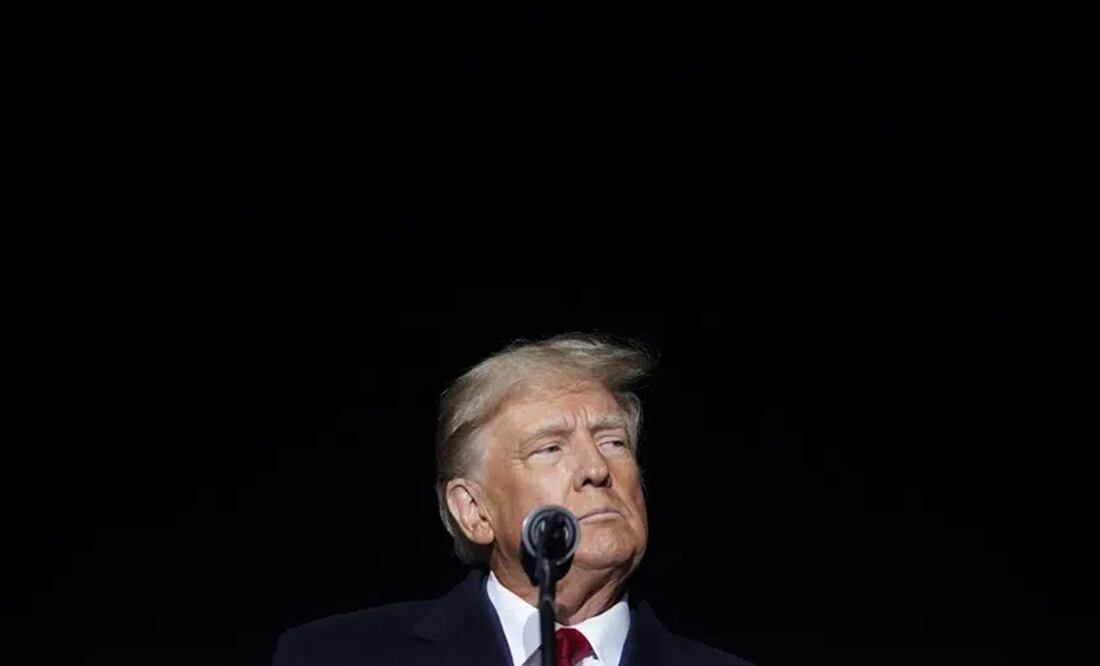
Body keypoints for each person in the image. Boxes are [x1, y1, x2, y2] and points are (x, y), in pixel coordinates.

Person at [273, 334, 754, 665]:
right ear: (475, 512)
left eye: (613, 442)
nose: (596, 470)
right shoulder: (339, 655)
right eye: (550, 448)